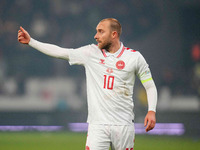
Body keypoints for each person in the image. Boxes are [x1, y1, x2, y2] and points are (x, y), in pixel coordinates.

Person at [18, 18, 157, 150]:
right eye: (96, 31)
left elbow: (149, 86)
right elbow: (61, 52)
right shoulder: (91, 53)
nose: (96, 36)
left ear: (114, 34)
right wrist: (32, 42)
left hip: (124, 125)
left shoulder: (134, 57)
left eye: (101, 31)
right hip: (97, 126)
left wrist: (151, 110)